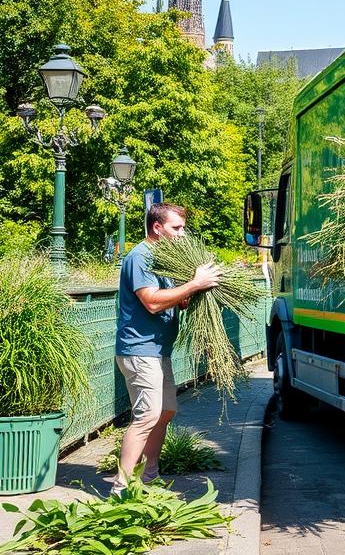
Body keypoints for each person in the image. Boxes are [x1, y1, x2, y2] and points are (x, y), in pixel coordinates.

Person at [112, 202, 222, 492]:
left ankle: (149, 477)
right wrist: (195, 284)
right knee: (147, 415)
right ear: (157, 227)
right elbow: (150, 301)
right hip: (139, 348)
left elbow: (168, 299)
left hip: (159, 349)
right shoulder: (141, 256)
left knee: (165, 412)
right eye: (177, 228)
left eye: (183, 227)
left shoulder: (162, 258)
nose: (182, 234)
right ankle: (121, 487)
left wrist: (187, 295)